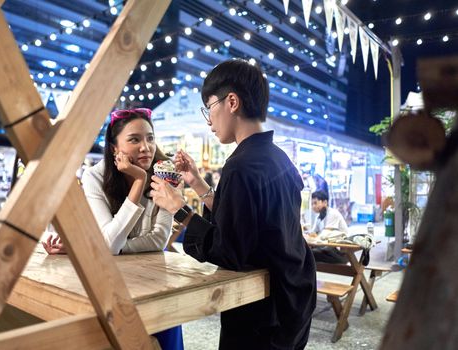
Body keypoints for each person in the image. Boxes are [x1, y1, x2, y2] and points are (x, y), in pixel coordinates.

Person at [150, 59, 316, 350]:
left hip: (262, 311)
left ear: (232, 101)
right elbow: (248, 220)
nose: (208, 120)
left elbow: (231, 250)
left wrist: (180, 209)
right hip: (294, 294)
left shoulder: (240, 166)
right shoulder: (277, 158)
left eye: (209, 107)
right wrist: (198, 184)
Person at [42, 108, 183, 350]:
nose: (146, 147)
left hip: (155, 280)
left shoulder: (164, 174)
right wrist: (138, 181)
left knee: (165, 339)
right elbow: (109, 245)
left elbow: (159, 239)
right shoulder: (95, 177)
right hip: (110, 282)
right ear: (114, 148)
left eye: (150, 138)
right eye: (134, 139)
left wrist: (95, 247)